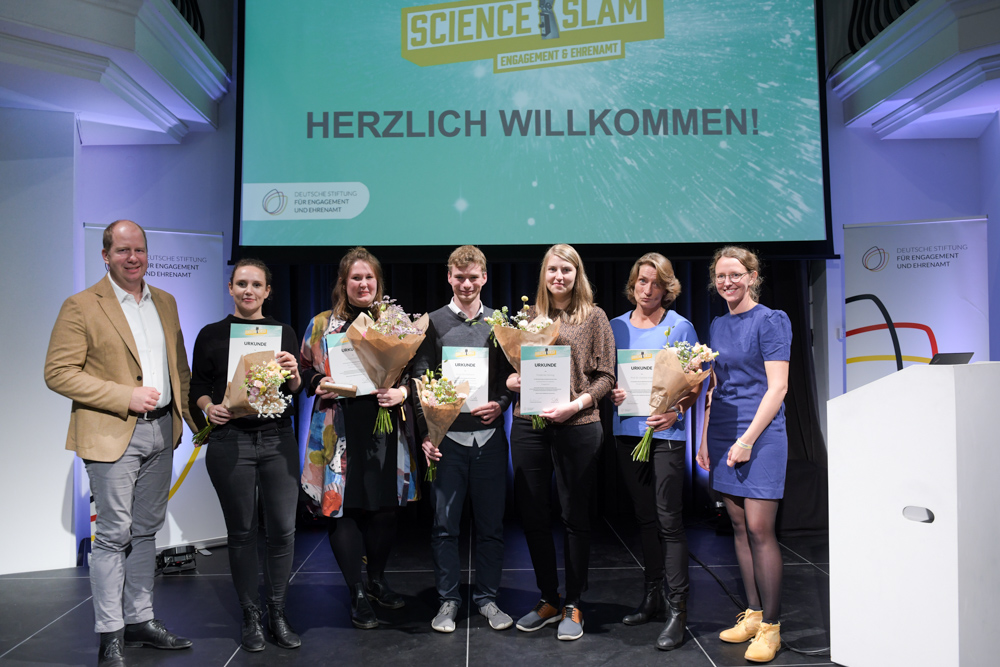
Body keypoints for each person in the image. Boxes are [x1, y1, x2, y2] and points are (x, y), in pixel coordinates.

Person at [44, 220, 197, 667]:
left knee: (147, 531)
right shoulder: (80, 305)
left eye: (140, 250)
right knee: (112, 536)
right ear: (106, 255)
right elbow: (58, 373)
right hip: (111, 433)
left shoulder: (165, 302)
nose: (134, 258)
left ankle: (140, 621)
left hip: (161, 431)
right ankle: (110, 633)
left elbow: (179, 370)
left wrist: (191, 419)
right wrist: (123, 396)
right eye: (124, 250)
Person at [299, 247, 419, 629]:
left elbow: (418, 370)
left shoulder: (396, 323)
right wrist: (319, 382)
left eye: (369, 278)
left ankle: (378, 579)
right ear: (343, 283)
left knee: (384, 508)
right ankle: (356, 592)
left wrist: (402, 392)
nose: (363, 284)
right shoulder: (321, 325)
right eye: (355, 278)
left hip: (383, 425)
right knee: (344, 509)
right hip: (340, 428)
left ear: (378, 283)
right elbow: (303, 368)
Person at [189, 259, 303, 652]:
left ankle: (277, 611)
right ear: (230, 288)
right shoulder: (211, 334)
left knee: (283, 532)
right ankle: (250, 614)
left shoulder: (282, 331)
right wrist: (209, 407)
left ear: (268, 291)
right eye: (241, 283)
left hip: (276, 440)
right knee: (241, 533)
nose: (248, 290)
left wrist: (293, 372)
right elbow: (197, 387)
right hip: (230, 441)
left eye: (256, 284)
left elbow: (292, 391)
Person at [507, 243, 616, 641]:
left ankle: (573, 604)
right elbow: (514, 372)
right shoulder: (526, 318)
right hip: (530, 425)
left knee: (575, 517)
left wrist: (575, 405)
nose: (559, 277)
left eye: (566, 270)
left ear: (577, 274)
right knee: (534, 516)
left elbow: (606, 377)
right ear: (543, 274)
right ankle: (548, 599)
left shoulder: (594, 317)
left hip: (579, 424)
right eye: (552, 269)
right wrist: (511, 381)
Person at [696, 246, 791, 664]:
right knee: (736, 524)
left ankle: (772, 627)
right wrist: (703, 438)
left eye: (735, 274)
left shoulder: (771, 320)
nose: (728, 282)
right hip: (723, 431)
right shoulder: (717, 324)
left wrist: (749, 439)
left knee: (759, 528)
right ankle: (752, 615)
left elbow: (778, 388)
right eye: (721, 276)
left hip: (763, 431)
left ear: (752, 276)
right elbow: (715, 386)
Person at [413, 246, 514, 634]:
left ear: (484, 277)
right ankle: (448, 601)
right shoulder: (433, 322)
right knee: (444, 527)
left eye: (474, 277)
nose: (467, 284)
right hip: (448, 442)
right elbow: (420, 380)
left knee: (491, 527)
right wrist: (427, 433)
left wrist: (502, 404)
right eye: (460, 277)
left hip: (489, 440)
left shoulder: (500, 323)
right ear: (449, 277)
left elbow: (508, 376)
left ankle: (487, 599)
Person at [609, 253, 700, 650]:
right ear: (633, 284)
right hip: (627, 431)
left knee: (669, 520)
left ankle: (678, 608)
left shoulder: (680, 327)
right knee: (645, 519)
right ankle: (652, 597)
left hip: (666, 435)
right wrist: (609, 391)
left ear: (668, 287)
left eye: (656, 283)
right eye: (642, 282)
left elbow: (695, 384)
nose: (648, 290)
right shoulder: (615, 327)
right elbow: (603, 376)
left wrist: (676, 410)